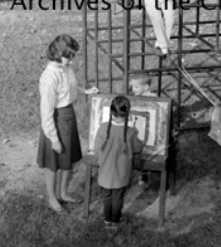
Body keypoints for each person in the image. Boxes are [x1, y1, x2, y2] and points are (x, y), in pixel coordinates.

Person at [37, 35, 99, 214]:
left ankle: (63, 192)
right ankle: (52, 197)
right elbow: (46, 112)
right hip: (56, 120)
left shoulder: (65, 68)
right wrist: (54, 138)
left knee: (68, 159)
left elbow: (69, 86)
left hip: (68, 116)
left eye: (73, 57)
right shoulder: (49, 77)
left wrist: (85, 91)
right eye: (69, 57)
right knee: (53, 163)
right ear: (57, 54)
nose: (72, 61)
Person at [94, 95, 143, 229]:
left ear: (111, 112)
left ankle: (107, 220)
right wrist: (139, 140)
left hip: (105, 172)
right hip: (121, 174)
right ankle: (115, 221)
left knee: (107, 197)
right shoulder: (131, 132)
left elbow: (96, 147)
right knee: (118, 198)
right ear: (128, 113)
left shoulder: (103, 128)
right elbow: (137, 148)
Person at [129, 71, 156, 189]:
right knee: (139, 151)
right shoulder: (135, 98)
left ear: (146, 87)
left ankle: (148, 170)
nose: (133, 89)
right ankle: (142, 172)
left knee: (148, 150)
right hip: (139, 129)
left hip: (151, 128)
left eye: (136, 87)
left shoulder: (154, 98)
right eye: (132, 86)